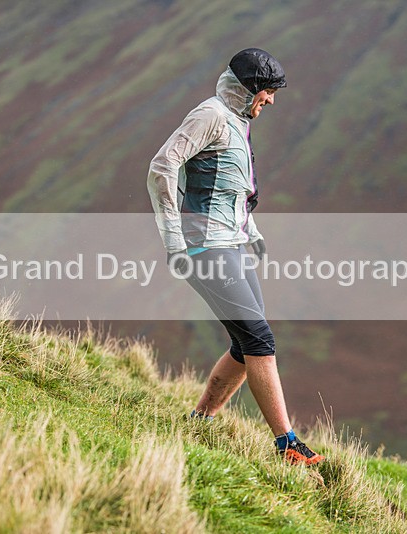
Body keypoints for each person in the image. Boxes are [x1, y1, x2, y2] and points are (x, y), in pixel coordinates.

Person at [147, 48, 325, 466]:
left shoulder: (236, 119)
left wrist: (252, 232)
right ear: (247, 88)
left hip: (231, 243)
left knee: (247, 344)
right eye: (267, 91)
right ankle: (287, 444)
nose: (271, 100)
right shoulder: (210, 115)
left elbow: (228, 187)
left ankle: (200, 420)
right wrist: (173, 241)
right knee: (259, 339)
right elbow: (162, 167)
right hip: (203, 246)